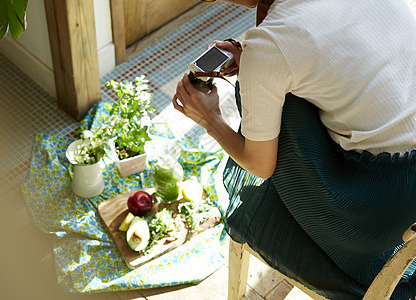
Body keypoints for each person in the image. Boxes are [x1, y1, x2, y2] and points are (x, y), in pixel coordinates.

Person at [173, 0, 416, 299]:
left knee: (272, 108)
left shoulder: (271, 45)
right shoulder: (274, 43)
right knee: (283, 84)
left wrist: (209, 119)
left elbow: (260, 165)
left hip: (375, 213)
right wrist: (259, 60)